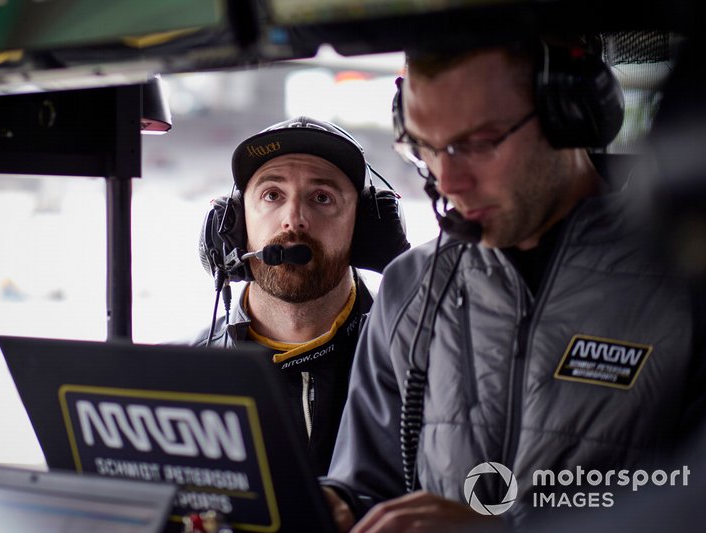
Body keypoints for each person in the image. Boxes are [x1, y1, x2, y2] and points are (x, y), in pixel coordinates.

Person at [321, 36, 706, 532]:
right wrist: (339, 504)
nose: (447, 181)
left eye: (477, 144)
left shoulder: (685, 277)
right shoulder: (410, 287)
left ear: (569, 116)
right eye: (425, 148)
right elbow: (368, 481)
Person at [193, 116, 410, 477]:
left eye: (322, 197)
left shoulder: (421, 367)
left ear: (364, 230)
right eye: (272, 195)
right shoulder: (183, 376)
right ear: (232, 225)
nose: (293, 220)